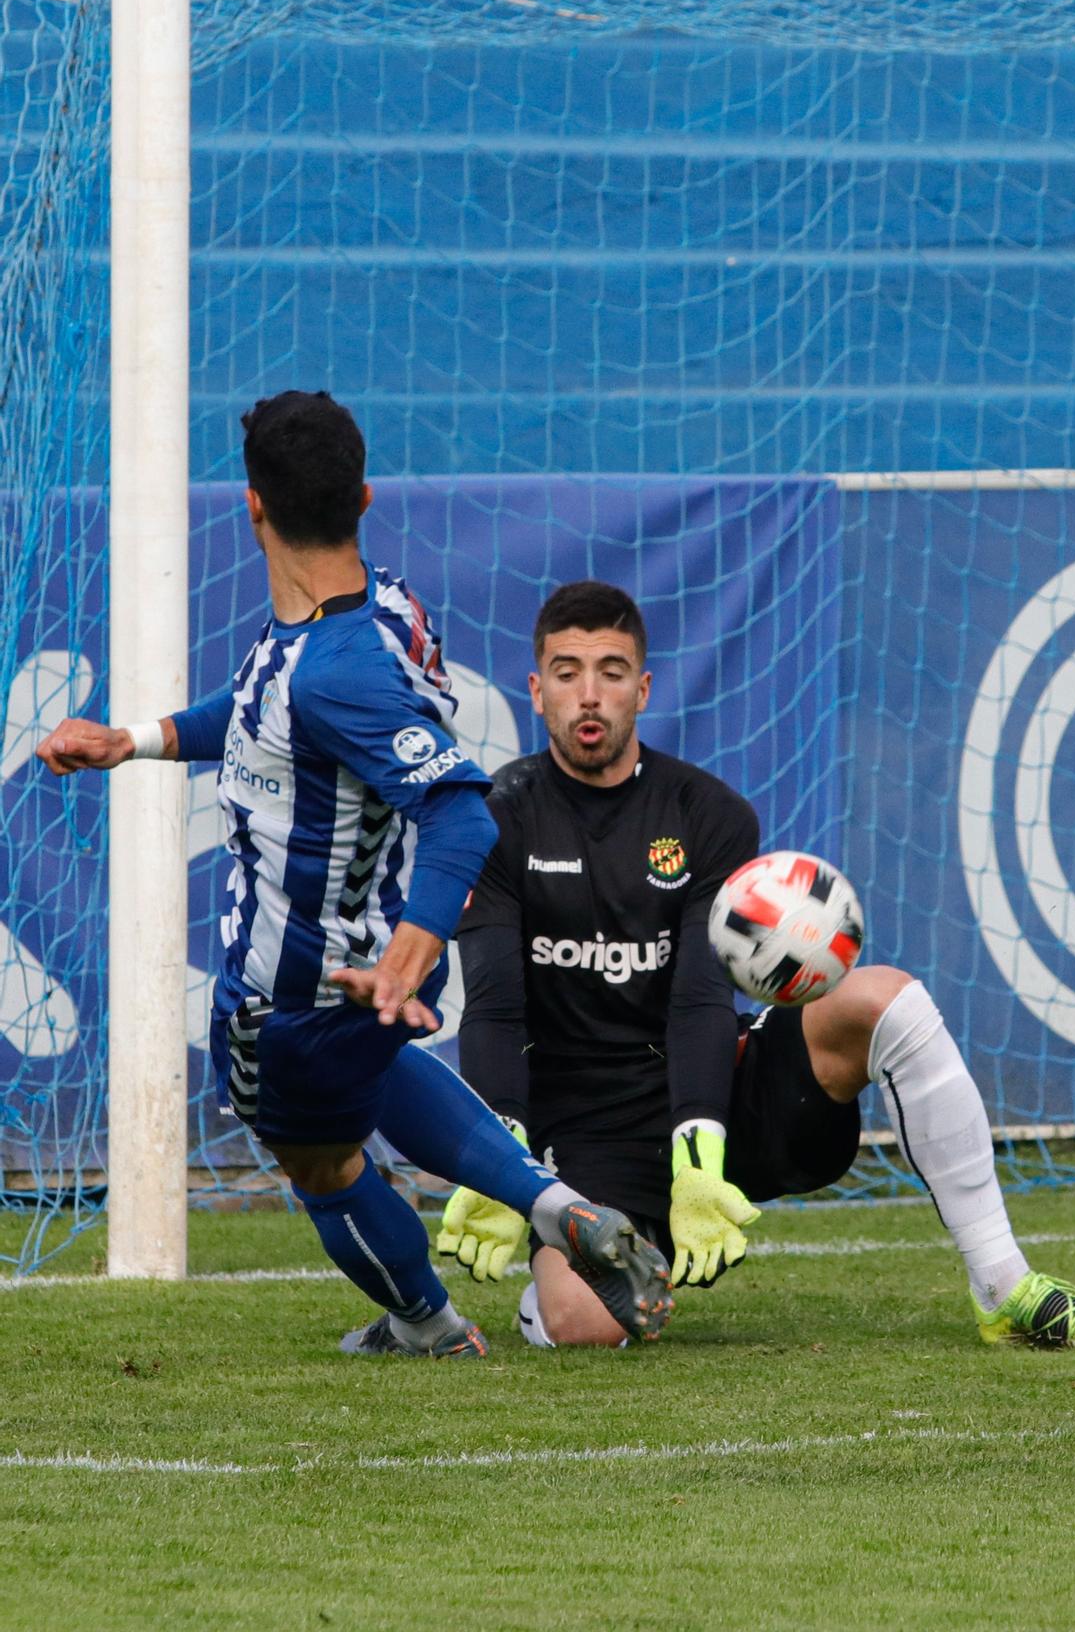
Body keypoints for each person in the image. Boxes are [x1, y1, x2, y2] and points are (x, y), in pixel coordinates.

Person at [37, 396, 672, 1355]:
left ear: (251, 507)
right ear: (363, 496)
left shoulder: (337, 672)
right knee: (373, 1080)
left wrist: (408, 963)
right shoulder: (379, 607)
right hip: (361, 965)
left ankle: (428, 1324)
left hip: (299, 990)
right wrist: (136, 740)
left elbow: (460, 810)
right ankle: (557, 1206)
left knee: (322, 1163)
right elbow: (264, 713)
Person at [426, 578, 1075, 1355]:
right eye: (567, 672)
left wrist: (699, 1156)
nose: (589, 695)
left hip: (713, 1086)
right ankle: (564, 1282)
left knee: (885, 999)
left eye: (610, 671)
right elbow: (497, 1009)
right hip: (586, 1130)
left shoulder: (706, 813)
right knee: (580, 1326)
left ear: (641, 688)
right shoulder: (494, 818)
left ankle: (1004, 1286)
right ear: (536, 690)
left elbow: (701, 999)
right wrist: (502, 1163)